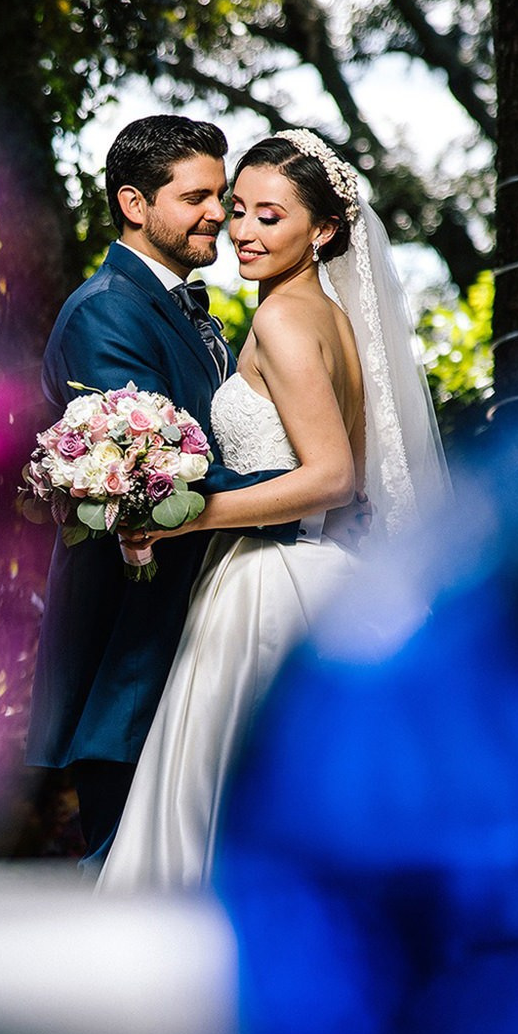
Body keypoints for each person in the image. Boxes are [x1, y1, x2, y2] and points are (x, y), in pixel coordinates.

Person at [97, 129, 451, 891]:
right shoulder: (331, 318)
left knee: (224, 810)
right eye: (239, 211)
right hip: (322, 570)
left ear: (322, 230)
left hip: (271, 581)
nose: (244, 232)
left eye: (271, 216)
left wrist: (186, 514)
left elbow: (333, 477)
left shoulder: (284, 320)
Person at [25, 116, 329, 866]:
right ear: (134, 204)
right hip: (133, 646)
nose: (220, 215)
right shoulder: (107, 310)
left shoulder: (194, 311)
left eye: (222, 195)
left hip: (208, 627)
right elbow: (157, 475)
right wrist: (312, 492)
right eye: (198, 197)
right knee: (131, 880)